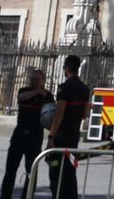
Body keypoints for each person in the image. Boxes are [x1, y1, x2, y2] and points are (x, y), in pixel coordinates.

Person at [0, 69, 52, 199]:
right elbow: (21, 98)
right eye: (32, 79)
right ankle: (5, 196)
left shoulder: (48, 96)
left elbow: (52, 112)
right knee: (10, 170)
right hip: (19, 135)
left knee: (31, 171)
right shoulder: (23, 90)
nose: (34, 81)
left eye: (37, 79)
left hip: (35, 136)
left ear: (43, 81)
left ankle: (27, 196)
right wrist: (36, 92)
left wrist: (43, 93)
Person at [43, 56, 89, 199]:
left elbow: (59, 112)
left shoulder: (64, 87)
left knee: (56, 171)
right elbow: (85, 114)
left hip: (61, 137)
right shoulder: (85, 89)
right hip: (73, 136)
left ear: (66, 69)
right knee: (70, 171)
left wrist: (51, 137)